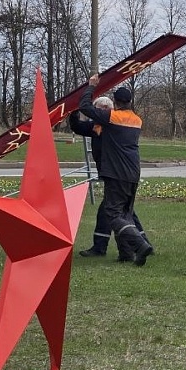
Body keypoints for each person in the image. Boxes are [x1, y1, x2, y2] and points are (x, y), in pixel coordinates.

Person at [78, 77, 154, 266]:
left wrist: (92, 87)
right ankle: (126, 254)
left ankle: (139, 244)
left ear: (116, 102)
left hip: (116, 173)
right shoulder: (137, 120)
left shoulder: (112, 117)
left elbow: (85, 107)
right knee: (125, 213)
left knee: (112, 213)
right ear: (130, 101)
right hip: (133, 172)